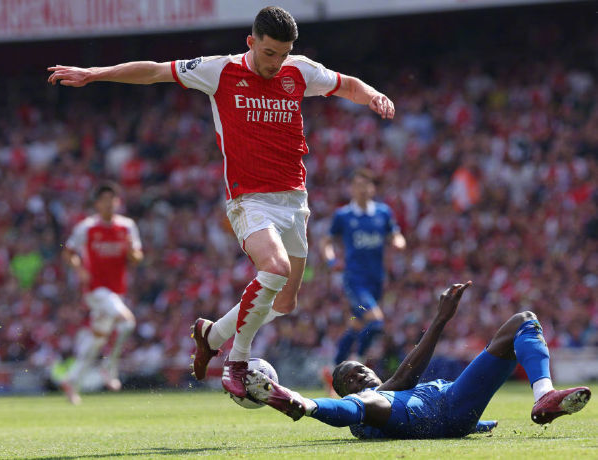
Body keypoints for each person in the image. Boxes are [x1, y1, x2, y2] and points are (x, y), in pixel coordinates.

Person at [47, 6, 395, 398]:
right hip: (249, 198)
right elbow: (155, 71)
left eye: (283, 54)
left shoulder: (299, 71)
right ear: (251, 42)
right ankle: (237, 360)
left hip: (295, 200)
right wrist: (95, 74)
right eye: (269, 53)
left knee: (285, 302)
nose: (276, 62)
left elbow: (347, 84)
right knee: (275, 268)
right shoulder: (220, 70)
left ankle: (212, 335)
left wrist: (373, 95)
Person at [246, 281, 592, 438]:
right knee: (367, 404)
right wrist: (440, 320)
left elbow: (401, 384)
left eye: (360, 369)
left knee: (522, 322)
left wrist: (476, 424)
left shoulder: (387, 392)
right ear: (342, 390)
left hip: (455, 406)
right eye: (348, 379)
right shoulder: (368, 405)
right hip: (447, 408)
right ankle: (301, 404)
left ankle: (544, 395)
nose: (358, 376)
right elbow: (393, 384)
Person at [59, 182, 143, 404]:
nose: (109, 204)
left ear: (118, 202)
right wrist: (79, 270)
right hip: (96, 290)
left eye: (112, 199)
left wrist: (132, 252)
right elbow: (68, 253)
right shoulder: (86, 228)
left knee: (98, 339)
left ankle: (71, 380)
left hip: (117, 291)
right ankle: (109, 367)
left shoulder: (127, 226)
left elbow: (137, 257)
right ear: (97, 204)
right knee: (127, 323)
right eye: (104, 200)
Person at [320, 168, 406, 366]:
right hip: (355, 281)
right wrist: (331, 261)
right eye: (358, 185)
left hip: (377, 281)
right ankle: (357, 361)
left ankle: (333, 368)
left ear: (373, 188)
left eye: (367, 185)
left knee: (357, 324)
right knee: (376, 322)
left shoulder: (383, 213)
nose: (362, 189)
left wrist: (399, 242)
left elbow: (395, 234)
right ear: (351, 189)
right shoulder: (344, 216)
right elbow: (326, 242)